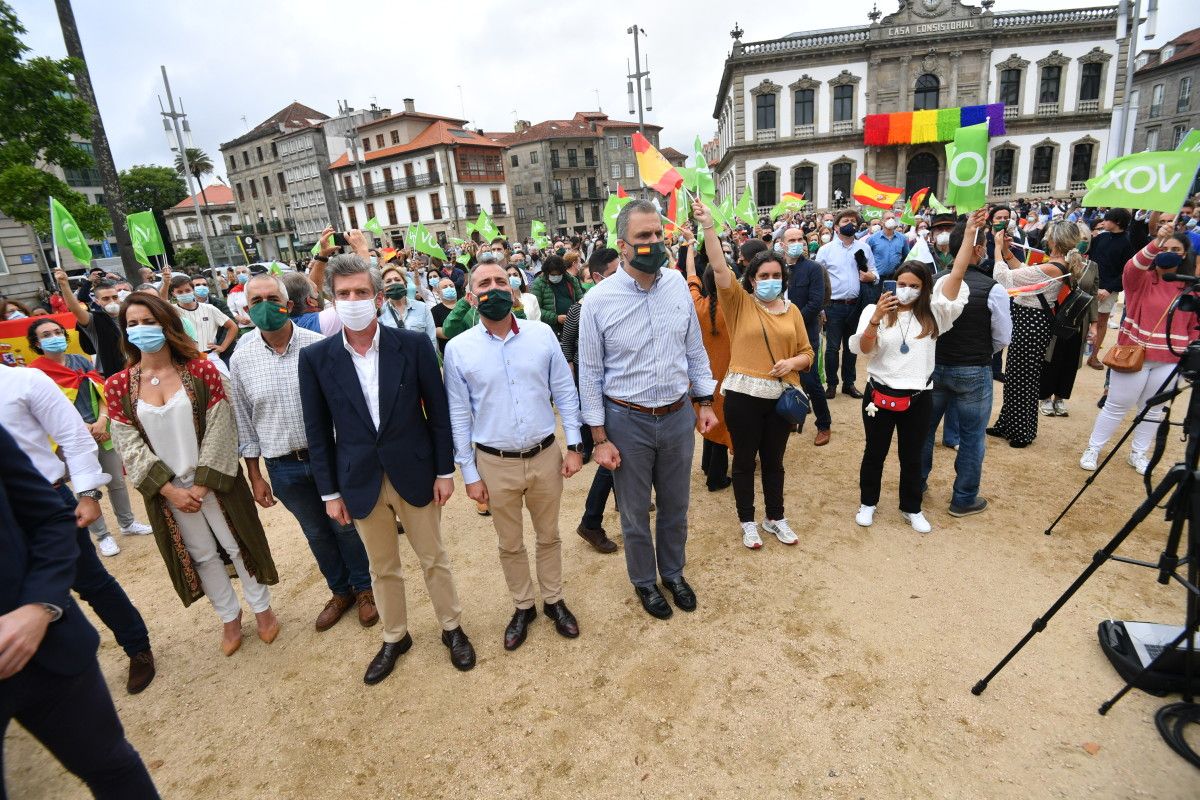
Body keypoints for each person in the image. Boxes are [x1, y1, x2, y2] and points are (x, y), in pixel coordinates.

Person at [298, 253, 475, 683]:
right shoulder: (317, 359)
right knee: (381, 567)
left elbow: (437, 411)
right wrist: (329, 493)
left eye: (361, 292)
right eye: (344, 294)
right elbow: (317, 431)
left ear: (377, 297)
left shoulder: (412, 345)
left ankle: (452, 628)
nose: (353, 299)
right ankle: (396, 636)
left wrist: (444, 471)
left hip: (414, 472)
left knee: (434, 557)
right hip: (358, 479)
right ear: (332, 301)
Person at [104, 294, 280, 656]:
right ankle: (229, 618)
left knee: (237, 544)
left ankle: (262, 610)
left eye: (148, 321)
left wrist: (201, 485)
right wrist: (170, 490)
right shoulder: (119, 385)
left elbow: (221, 426)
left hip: (214, 481)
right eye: (132, 324)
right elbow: (128, 444)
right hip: (169, 490)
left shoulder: (202, 370)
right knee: (201, 555)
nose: (141, 330)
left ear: (166, 325)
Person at [0, 425, 160, 800]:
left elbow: (51, 517)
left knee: (113, 767)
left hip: (48, 646)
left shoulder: (25, 380)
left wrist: (40, 606)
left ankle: (138, 647)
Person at [578, 199, 718, 620]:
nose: (654, 242)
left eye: (658, 234)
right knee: (635, 513)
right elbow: (589, 373)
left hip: (676, 416)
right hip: (627, 420)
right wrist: (599, 438)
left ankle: (673, 573)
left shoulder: (677, 284)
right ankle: (644, 581)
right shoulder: (598, 301)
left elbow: (694, 347)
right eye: (644, 237)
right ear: (622, 245)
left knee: (676, 505)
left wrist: (704, 400)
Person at [444, 261, 583, 651]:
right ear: (470, 296)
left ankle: (554, 600)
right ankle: (524, 605)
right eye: (484, 283)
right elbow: (458, 412)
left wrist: (573, 445)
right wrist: (468, 472)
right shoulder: (458, 350)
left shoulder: (541, 336)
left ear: (515, 289)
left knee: (549, 536)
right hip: (494, 462)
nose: (494, 288)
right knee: (509, 542)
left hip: (545, 456)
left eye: (501, 281)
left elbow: (564, 391)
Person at [0, 361, 158, 696]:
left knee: (90, 581)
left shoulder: (23, 380)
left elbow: (72, 434)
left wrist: (87, 494)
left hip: (41, 502)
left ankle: (137, 646)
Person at [230, 275, 377, 632]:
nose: (265, 305)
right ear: (247, 311)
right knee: (315, 532)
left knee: (344, 526)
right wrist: (255, 474)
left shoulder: (319, 345)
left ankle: (364, 590)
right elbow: (244, 420)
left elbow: (342, 406)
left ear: (289, 304)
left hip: (327, 456)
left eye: (272, 297)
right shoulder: (241, 357)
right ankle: (339, 591)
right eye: (256, 301)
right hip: (282, 465)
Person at [849, 207, 972, 534]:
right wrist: (875, 318)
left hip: (918, 397)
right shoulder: (874, 311)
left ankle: (911, 507)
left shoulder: (933, 313)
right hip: (878, 395)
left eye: (913, 285)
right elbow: (863, 349)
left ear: (924, 288)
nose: (906, 289)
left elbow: (957, 278)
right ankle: (868, 503)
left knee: (913, 455)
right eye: (901, 283)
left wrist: (969, 233)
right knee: (874, 453)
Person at [699, 202, 814, 549]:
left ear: (784, 278)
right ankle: (748, 520)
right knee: (745, 461)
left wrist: (792, 364)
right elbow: (719, 268)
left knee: (775, 462)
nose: (770, 281)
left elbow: (808, 353)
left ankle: (775, 517)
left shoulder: (792, 310)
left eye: (776, 276)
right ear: (751, 280)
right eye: (763, 276)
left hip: (780, 397)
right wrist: (707, 228)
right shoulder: (739, 303)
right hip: (743, 397)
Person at [25, 319, 154, 556]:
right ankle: (103, 535)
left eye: (57, 332)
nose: (55, 337)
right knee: (86, 486)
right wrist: (81, 426)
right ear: (36, 343)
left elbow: (101, 390)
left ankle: (127, 523)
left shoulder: (81, 361)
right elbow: (50, 409)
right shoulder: (35, 373)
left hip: (102, 428)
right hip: (72, 438)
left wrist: (103, 419)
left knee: (116, 480)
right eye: (46, 335)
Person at [1081, 217, 1196, 474]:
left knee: (1155, 409)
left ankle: (1139, 453)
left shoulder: (1191, 288)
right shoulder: (1140, 280)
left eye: (1175, 250)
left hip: (1170, 360)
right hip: (1135, 353)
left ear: (1185, 254)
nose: (1169, 254)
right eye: (1165, 249)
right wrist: (1157, 241)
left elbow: (1193, 327)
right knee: (1117, 405)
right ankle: (1094, 448)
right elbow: (1133, 266)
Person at [920, 221, 1012, 518]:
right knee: (973, 437)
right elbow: (1002, 336)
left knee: (924, 432)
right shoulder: (993, 289)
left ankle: (916, 484)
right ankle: (963, 497)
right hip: (974, 368)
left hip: (936, 366)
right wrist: (982, 351)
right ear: (978, 248)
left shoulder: (936, 281)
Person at [988, 219, 1080, 448]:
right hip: (1032, 323)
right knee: (1018, 376)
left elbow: (1004, 279)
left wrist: (998, 251)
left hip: (1031, 323)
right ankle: (1009, 424)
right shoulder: (1057, 264)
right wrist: (1007, 251)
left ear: (1055, 241)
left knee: (1022, 378)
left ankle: (1021, 431)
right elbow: (1023, 271)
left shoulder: (1053, 267)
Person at [685, 234, 734, 490]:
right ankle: (716, 477)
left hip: (701, 378)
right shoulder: (736, 308)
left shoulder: (695, 303)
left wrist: (690, 245)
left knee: (708, 421)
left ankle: (706, 466)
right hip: (727, 377)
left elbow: (690, 274)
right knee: (721, 425)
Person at [1039, 222, 1099, 417]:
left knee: (1071, 360)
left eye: (1084, 240)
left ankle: (1060, 397)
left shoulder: (1092, 267)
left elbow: (1093, 297)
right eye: (1077, 240)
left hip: (1078, 321)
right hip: (1056, 318)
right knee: (1051, 357)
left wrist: (1094, 325)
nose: (1080, 244)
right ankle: (1045, 396)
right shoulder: (1054, 264)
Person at [815, 208, 877, 400]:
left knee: (852, 346)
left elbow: (875, 273)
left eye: (852, 220)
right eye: (845, 221)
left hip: (856, 304)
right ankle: (832, 384)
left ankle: (849, 384)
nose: (850, 224)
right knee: (833, 347)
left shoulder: (864, 248)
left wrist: (870, 276)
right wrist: (821, 307)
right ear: (836, 227)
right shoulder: (826, 250)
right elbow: (819, 279)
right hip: (833, 306)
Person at [783, 225, 833, 444]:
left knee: (811, 381)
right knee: (786, 379)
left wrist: (790, 322)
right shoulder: (778, 268)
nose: (796, 244)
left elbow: (815, 302)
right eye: (791, 240)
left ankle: (824, 424)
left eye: (799, 240)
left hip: (805, 333)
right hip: (781, 335)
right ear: (783, 244)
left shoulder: (813, 268)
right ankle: (792, 416)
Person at [1087, 208, 1137, 370]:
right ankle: (1076, 352)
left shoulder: (1128, 243)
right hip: (1089, 284)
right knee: (1081, 320)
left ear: (1118, 222)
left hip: (1107, 290)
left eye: (1107, 219)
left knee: (1101, 322)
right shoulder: (1100, 237)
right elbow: (1087, 255)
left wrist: (1109, 289)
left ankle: (1093, 356)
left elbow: (1127, 271)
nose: (1103, 222)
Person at [53, 269, 125, 378]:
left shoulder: (129, 315)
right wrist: (64, 284)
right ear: (97, 301)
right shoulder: (94, 319)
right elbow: (75, 309)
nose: (112, 301)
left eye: (115, 297)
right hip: (112, 374)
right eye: (106, 299)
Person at [163, 272, 239, 360]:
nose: (184, 293)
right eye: (179, 292)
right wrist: (165, 284)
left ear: (193, 290)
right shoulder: (172, 310)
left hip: (209, 356)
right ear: (173, 293)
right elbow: (161, 301)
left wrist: (222, 347)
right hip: (185, 358)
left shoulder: (209, 308)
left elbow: (232, 326)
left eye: (187, 290)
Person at [377, 264, 437, 349]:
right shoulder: (380, 313)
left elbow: (431, 340)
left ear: (405, 284)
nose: (394, 283)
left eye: (397, 279)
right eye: (388, 281)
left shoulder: (422, 307)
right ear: (383, 288)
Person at [531, 255, 586, 334]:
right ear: (547, 272)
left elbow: (581, 301)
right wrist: (556, 318)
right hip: (551, 329)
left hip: (572, 326)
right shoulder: (539, 284)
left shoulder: (572, 280)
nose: (556, 277)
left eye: (558, 274)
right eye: (553, 275)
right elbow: (536, 309)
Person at [431, 278, 458, 355]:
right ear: (439, 293)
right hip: (451, 353)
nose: (449, 288)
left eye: (451, 286)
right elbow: (438, 331)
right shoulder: (434, 311)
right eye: (445, 287)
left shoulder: (465, 305)